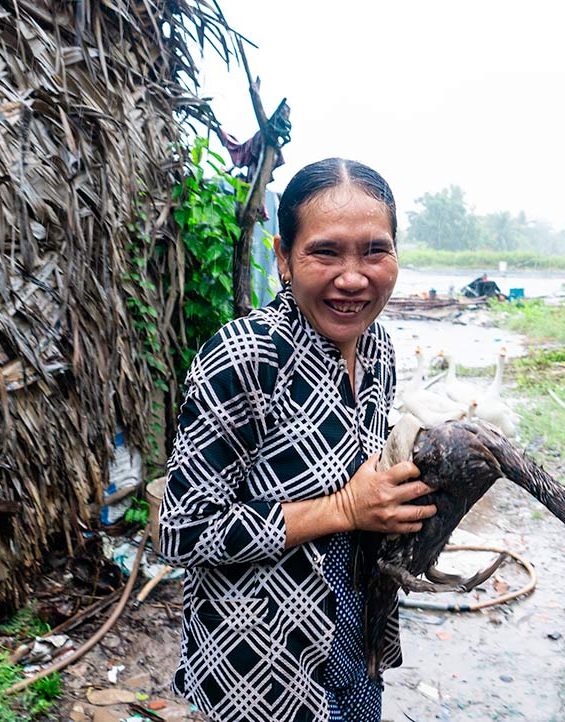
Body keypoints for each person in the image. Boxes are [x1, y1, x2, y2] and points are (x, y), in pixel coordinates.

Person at [159, 158, 436, 721]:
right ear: (284, 257)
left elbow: (366, 479)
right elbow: (181, 533)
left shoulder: (376, 345)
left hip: (356, 635)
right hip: (260, 666)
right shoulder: (245, 355)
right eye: (326, 252)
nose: (353, 278)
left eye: (374, 251)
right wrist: (344, 509)